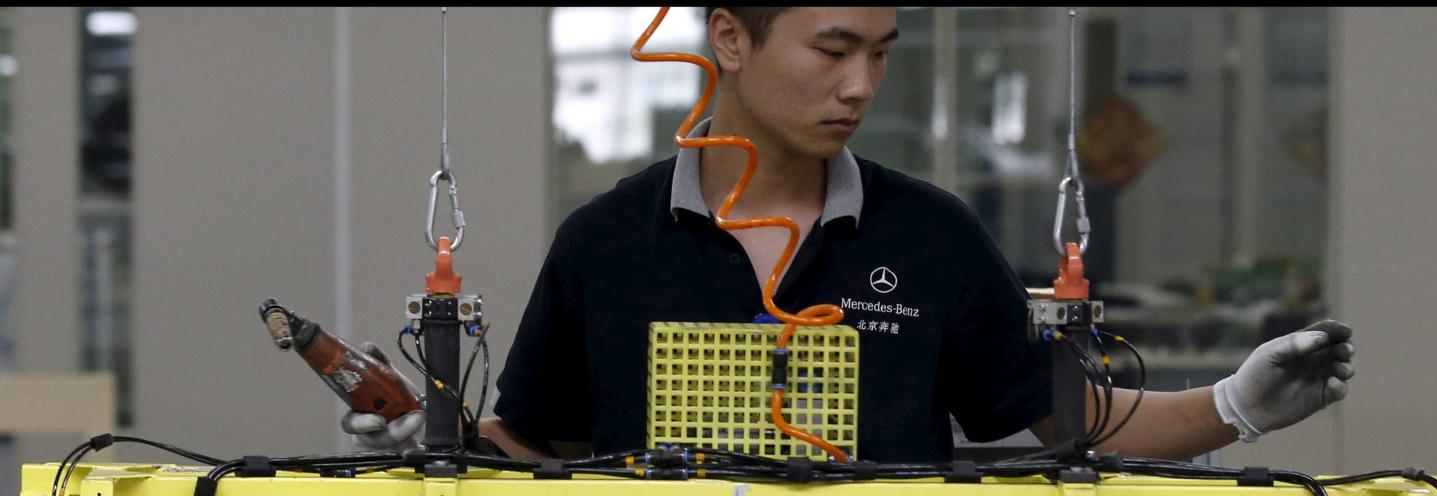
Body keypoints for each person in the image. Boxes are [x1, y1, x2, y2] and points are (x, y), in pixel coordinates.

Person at [343, 7, 1355, 463]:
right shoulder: (608, 240)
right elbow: (543, 444)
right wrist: (425, 436)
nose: (861, 86)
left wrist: (1234, 405)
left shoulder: (933, 239)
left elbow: (1071, 422)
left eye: (879, 52)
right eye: (833, 50)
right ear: (729, 38)